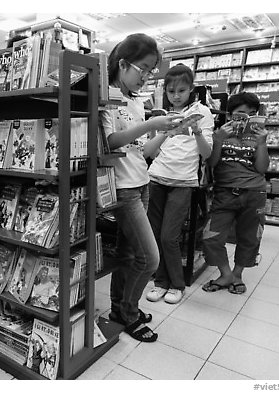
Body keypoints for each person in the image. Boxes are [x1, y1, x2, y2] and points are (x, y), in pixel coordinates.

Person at [98, 33, 183, 342]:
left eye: (151, 71)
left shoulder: (134, 101)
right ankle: (129, 313)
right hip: (123, 189)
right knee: (150, 258)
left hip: (142, 181)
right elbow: (109, 143)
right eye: (144, 69)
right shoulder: (105, 95)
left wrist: (169, 131)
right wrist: (152, 124)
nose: (147, 77)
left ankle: (119, 309)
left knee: (128, 255)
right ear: (123, 64)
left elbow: (141, 151)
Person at [144, 64, 214, 304]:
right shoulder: (162, 114)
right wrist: (165, 129)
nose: (176, 95)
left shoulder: (202, 112)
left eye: (181, 90)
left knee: (169, 237)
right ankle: (160, 281)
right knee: (154, 235)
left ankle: (177, 284)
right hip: (156, 178)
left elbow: (206, 154)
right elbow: (149, 153)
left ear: (191, 89)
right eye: (171, 91)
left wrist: (196, 132)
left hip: (183, 181)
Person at [201, 92, 269, 295]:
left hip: (255, 193)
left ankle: (237, 275)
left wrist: (263, 143)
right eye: (241, 113)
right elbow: (211, 164)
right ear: (230, 115)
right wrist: (219, 139)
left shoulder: (259, 137)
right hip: (224, 192)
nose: (246, 117)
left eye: (252, 113)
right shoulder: (220, 133)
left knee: (250, 238)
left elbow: (262, 168)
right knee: (210, 236)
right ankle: (225, 274)